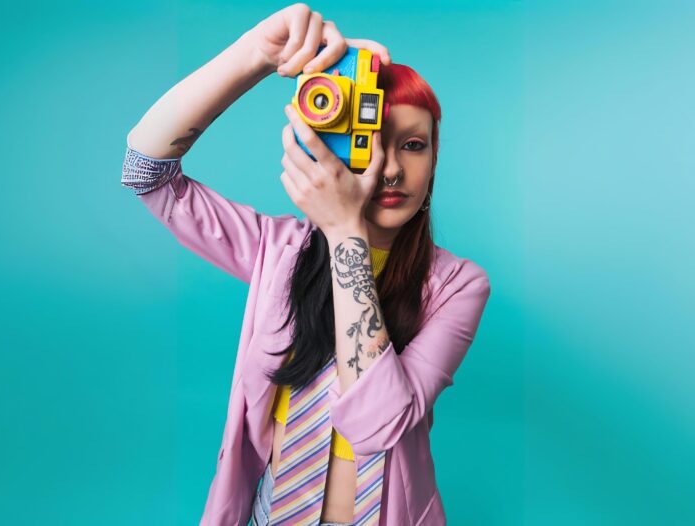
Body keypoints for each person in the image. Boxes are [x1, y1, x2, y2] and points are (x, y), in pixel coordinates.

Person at [121, 3, 491, 525]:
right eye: (369, 140)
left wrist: (345, 231)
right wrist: (255, 53)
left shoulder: (457, 286)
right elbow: (145, 170)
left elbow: (381, 425)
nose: (388, 167)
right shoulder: (279, 250)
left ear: (434, 158)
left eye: (412, 145)